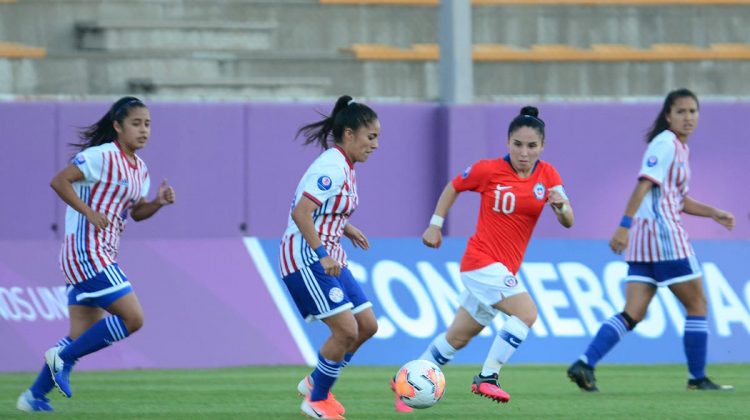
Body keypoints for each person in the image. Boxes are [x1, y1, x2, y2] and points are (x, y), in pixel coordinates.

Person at [391, 106, 574, 413]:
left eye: (531, 146)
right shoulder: (488, 170)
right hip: (481, 261)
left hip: (501, 268)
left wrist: (560, 207)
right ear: (508, 143)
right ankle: (488, 376)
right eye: (518, 144)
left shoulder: (549, 175)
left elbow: (568, 220)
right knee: (527, 313)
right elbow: (454, 186)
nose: (524, 152)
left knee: (457, 337)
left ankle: (405, 382)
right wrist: (435, 224)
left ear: (542, 146)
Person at [567, 88, 736, 392]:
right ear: (668, 116)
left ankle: (584, 363)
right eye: (681, 112)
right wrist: (622, 225)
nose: (688, 117)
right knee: (698, 304)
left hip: (645, 241)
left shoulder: (679, 148)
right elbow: (645, 183)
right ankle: (697, 379)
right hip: (663, 233)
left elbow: (677, 198)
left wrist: (712, 212)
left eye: (693, 111)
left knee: (634, 312)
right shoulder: (666, 143)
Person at [17, 97, 176, 412]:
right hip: (85, 252)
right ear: (117, 126)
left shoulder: (140, 169)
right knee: (133, 318)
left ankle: (33, 396)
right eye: (136, 123)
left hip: (102, 253)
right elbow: (59, 181)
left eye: (147, 124)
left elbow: (137, 213)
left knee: (81, 334)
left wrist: (157, 202)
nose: (143, 130)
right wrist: (88, 212)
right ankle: (63, 359)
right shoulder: (101, 156)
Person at [281, 95, 380, 419]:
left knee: (366, 326)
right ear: (349, 134)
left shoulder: (346, 167)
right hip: (306, 257)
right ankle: (316, 399)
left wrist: (346, 227)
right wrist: (322, 253)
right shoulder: (332, 166)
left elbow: (324, 208)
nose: (375, 145)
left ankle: (315, 382)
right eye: (371, 136)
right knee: (346, 330)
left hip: (332, 254)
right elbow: (301, 212)